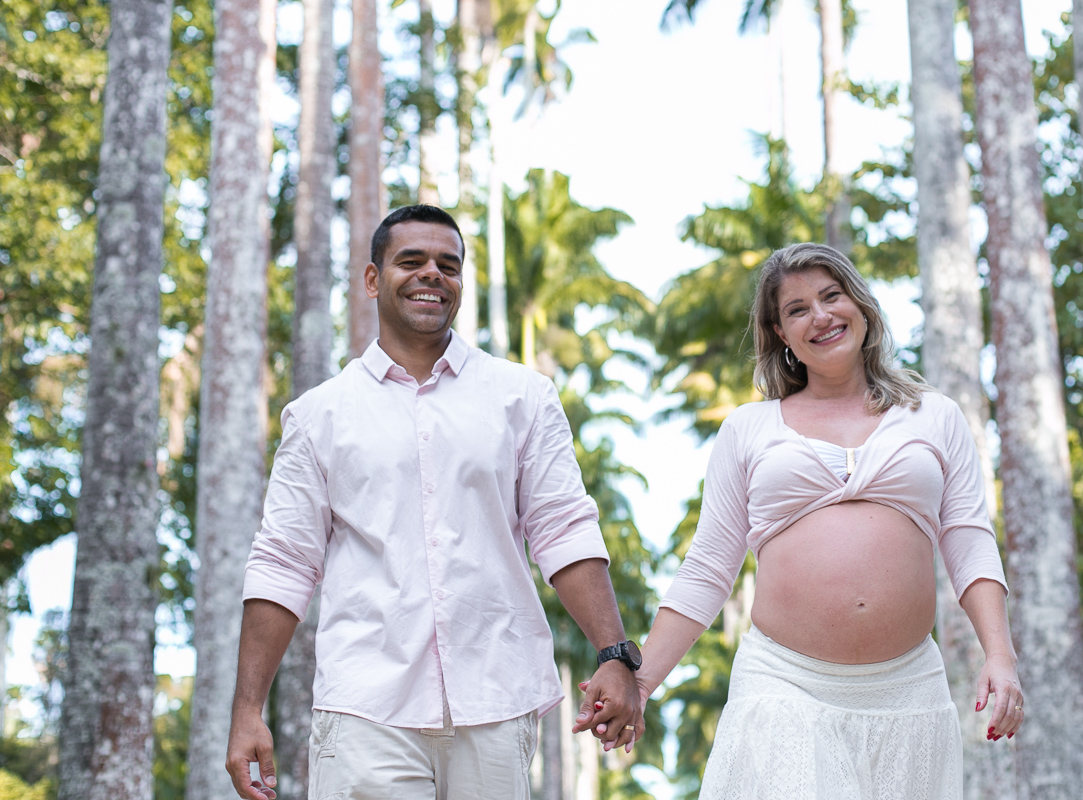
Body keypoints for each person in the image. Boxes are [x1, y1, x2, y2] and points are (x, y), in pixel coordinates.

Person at [225, 204, 644, 800]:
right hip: (366, 706)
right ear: (373, 279)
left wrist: (615, 654)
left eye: (448, 265)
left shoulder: (521, 397)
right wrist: (247, 710)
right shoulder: (319, 415)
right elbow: (283, 564)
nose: (432, 274)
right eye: (411, 261)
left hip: (495, 700)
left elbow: (563, 529)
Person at [623, 243, 1023, 798]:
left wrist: (999, 658)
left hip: (910, 691)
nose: (821, 316)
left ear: (860, 305)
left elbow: (969, 542)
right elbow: (709, 567)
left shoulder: (935, 415)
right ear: (780, 333)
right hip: (784, 684)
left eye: (832, 296)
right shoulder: (748, 428)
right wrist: (642, 683)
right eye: (797, 309)